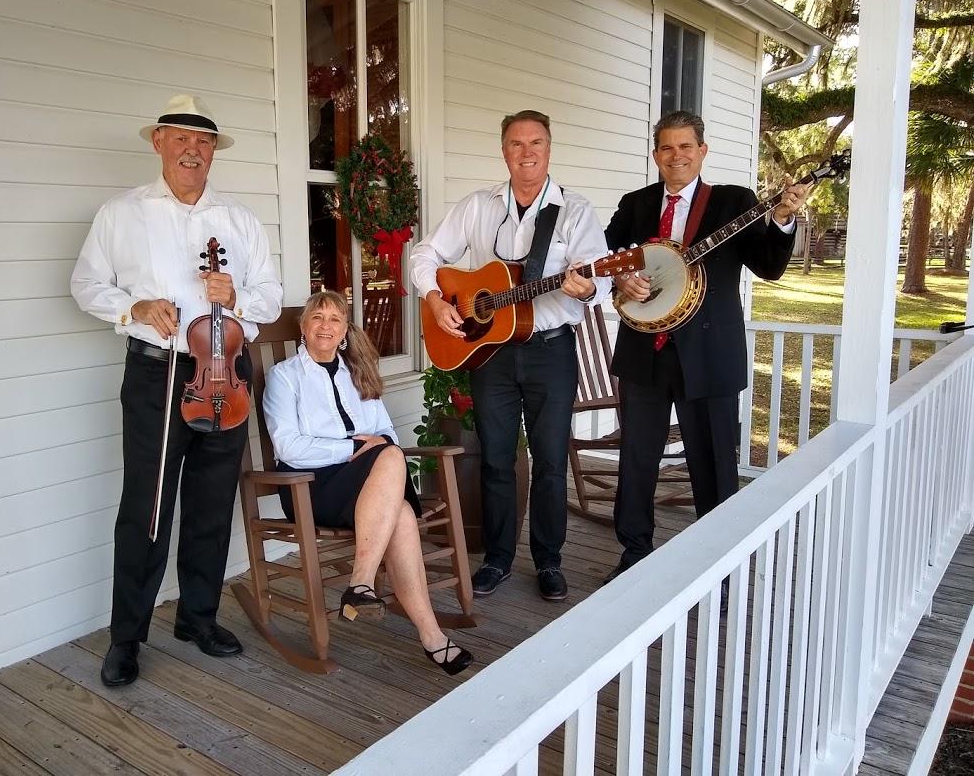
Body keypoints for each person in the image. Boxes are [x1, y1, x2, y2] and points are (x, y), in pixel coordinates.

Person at [70, 94, 283, 686]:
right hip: (158, 373)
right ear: (158, 143)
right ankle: (126, 637)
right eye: (181, 139)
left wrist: (236, 297)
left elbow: (269, 293)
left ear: (214, 151)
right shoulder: (122, 212)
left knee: (212, 504)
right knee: (147, 508)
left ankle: (197, 617)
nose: (193, 150)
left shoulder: (238, 220)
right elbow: (86, 283)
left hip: (225, 373)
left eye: (204, 141)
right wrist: (131, 306)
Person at [410, 110, 611, 602]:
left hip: (550, 351)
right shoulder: (479, 206)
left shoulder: (574, 211)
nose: (527, 153)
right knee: (497, 460)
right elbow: (424, 254)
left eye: (536, 143)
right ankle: (497, 559)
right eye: (516, 144)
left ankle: (548, 561)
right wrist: (436, 301)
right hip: (491, 354)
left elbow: (601, 282)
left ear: (549, 148)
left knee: (548, 462)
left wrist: (585, 286)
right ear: (504, 151)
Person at [604, 110, 810, 585]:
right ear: (655, 154)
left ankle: (718, 560)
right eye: (667, 148)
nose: (676, 156)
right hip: (644, 352)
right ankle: (634, 550)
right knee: (637, 456)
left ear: (702, 151)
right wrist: (623, 277)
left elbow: (768, 267)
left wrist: (780, 217)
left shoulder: (733, 203)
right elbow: (607, 256)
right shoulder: (635, 205)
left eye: (686, 147)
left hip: (710, 355)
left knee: (713, 459)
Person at [262, 291, 474, 675]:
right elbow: (289, 448)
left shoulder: (356, 371)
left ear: (345, 330)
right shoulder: (284, 377)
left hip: (368, 485)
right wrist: (351, 449)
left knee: (402, 512)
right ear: (304, 327)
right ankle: (362, 583)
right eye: (317, 318)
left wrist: (376, 447)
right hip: (310, 487)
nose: (326, 325)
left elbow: (386, 432)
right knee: (392, 466)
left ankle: (430, 635)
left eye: (335, 319)